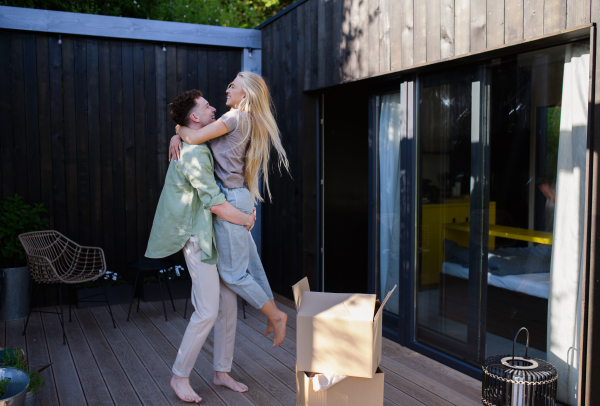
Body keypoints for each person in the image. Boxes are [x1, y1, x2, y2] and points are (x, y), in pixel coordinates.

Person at [146, 89, 253, 403]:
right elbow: (215, 204)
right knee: (207, 311)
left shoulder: (194, 140)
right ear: (195, 116)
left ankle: (221, 371)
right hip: (196, 238)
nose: (214, 108)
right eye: (207, 106)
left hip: (211, 234)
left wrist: (177, 132)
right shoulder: (192, 154)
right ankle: (179, 376)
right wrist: (246, 220)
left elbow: (188, 131)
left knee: (227, 303)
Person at [169, 71, 289, 347]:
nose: (227, 90)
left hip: (231, 199)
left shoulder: (234, 117)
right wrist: (180, 135)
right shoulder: (246, 119)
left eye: (232, 86)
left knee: (233, 274)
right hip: (239, 196)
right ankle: (272, 313)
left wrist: (177, 132)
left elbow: (195, 137)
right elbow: (196, 135)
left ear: (245, 94)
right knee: (253, 266)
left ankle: (276, 315)